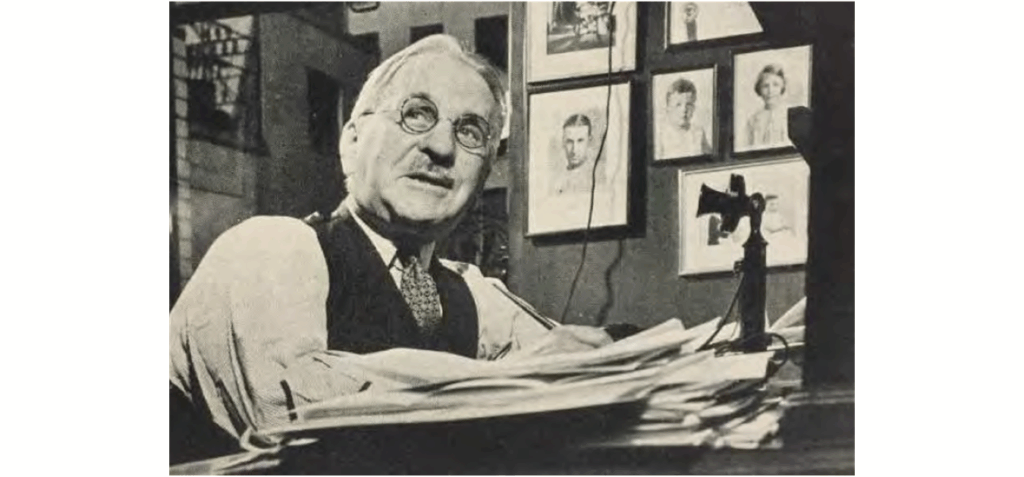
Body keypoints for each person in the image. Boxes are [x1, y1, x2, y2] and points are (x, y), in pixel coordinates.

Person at [169, 35, 615, 462]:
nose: (441, 147)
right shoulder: (270, 249)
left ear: (482, 180)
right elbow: (294, 421)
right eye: (417, 114)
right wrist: (507, 381)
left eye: (471, 133)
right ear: (352, 141)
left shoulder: (472, 295)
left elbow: (575, 364)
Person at [551, 113, 606, 196]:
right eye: (569, 141)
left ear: (589, 141)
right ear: (563, 142)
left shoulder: (599, 177)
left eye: (580, 141)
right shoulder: (556, 180)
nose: (574, 149)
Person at [657, 77, 712, 159]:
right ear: (668, 109)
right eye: (678, 105)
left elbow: (710, 160)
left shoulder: (698, 133)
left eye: (689, 104)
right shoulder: (661, 135)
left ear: (694, 108)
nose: (684, 110)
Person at [745, 64, 790, 148]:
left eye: (775, 85)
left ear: (782, 88)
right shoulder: (753, 120)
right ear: (759, 89)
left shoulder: (789, 115)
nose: (770, 91)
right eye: (765, 86)